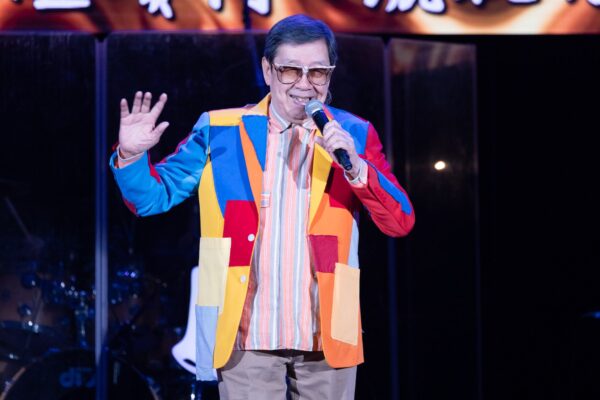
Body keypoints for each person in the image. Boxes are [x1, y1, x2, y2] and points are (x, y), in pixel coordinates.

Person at [110, 14, 415, 400]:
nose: (304, 84)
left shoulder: (353, 133)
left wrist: (356, 168)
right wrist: (131, 156)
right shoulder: (221, 130)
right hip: (244, 332)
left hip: (327, 330)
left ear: (330, 75)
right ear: (268, 71)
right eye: (290, 70)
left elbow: (399, 221)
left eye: (317, 72)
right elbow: (152, 198)